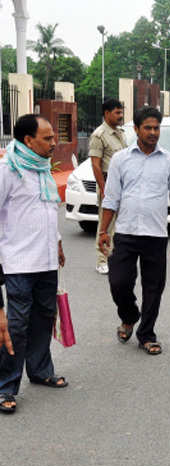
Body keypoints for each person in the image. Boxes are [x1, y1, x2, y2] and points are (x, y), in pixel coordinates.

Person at [99, 107, 170, 355]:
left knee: (153, 287)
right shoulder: (121, 159)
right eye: (147, 128)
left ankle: (147, 334)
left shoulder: (169, 161)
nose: (152, 132)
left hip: (156, 234)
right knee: (118, 282)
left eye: (156, 128)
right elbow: (111, 198)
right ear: (136, 129)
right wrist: (103, 232)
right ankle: (129, 315)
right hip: (126, 232)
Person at [0, 114, 69, 414]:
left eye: (54, 137)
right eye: (47, 138)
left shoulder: (41, 169)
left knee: (44, 318)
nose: (54, 143)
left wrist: (56, 241)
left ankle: (40, 370)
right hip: (17, 263)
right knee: (16, 326)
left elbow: (45, 208)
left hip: (46, 260)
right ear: (28, 141)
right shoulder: (8, 169)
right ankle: (5, 386)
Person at [89, 98, 127, 275]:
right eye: (117, 112)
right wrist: (103, 188)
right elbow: (95, 165)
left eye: (121, 112)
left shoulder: (120, 133)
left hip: (123, 185)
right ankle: (101, 260)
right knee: (106, 223)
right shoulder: (99, 135)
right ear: (106, 113)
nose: (120, 115)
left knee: (123, 223)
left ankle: (116, 257)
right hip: (108, 184)